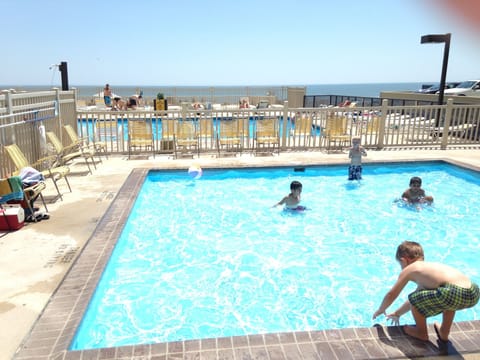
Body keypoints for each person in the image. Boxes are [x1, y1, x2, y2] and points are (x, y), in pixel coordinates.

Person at [372, 241, 479, 344]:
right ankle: (444, 333)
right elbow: (417, 299)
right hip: (473, 292)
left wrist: (381, 309)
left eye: (400, 264)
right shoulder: (429, 270)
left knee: (421, 298)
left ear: (404, 260)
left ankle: (421, 332)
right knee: (447, 302)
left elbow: (392, 294)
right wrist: (397, 314)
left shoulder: (410, 269)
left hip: (454, 292)